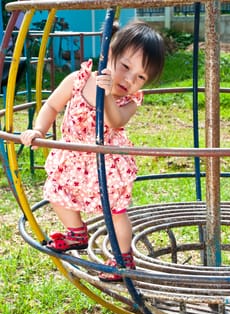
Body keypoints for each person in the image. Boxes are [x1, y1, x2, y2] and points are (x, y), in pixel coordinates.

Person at [20, 21, 165, 282]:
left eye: (141, 77)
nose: (130, 79)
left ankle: (123, 259)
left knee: (115, 211)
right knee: (56, 193)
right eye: (125, 67)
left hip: (106, 163)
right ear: (108, 54)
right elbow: (52, 106)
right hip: (73, 157)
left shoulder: (130, 100)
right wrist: (38, 130)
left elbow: (115, 121)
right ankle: (76, 232)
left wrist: (107, 94)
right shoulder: (78, 79)